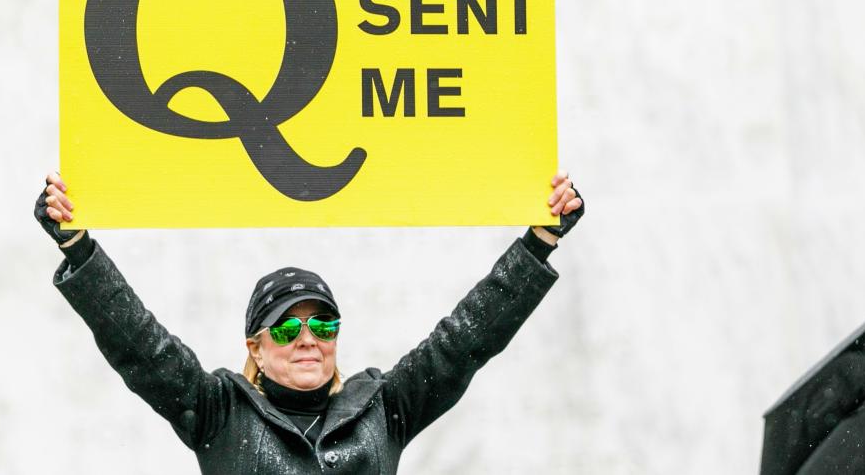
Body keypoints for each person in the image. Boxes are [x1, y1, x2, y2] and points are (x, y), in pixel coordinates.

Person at [35, 171, 584, 474]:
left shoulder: (385, 406)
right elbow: (138, 343)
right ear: (255, 346)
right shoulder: (215, 411)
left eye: (323, 327)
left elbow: (468, 336)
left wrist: (539, 243)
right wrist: (79, 249)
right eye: (285, 328)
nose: (306, 339)